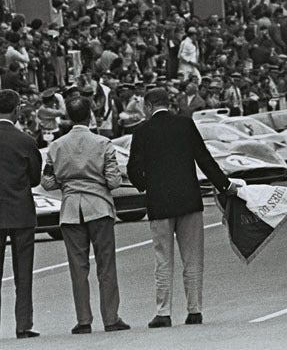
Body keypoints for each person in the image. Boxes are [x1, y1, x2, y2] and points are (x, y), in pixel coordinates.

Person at [126, 88, 244, 328]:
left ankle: (163, 312)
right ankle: (194, 310)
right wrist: (225, 185)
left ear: (148, 107)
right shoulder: (185, 125)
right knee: (192, 258)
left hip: (159, 203)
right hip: (189, 200)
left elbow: (133, 170)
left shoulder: (141, 132)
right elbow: (204, 159)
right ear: (168, 104)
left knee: (163, 259)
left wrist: (147, 185)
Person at [40, 96, 130, 335]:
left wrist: (66, 181)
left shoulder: (56, 146)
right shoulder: (103, 143)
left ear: (68, 116)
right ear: (90, 115)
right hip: (99, 207)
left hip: (70, 209)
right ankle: (111, 318)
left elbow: (47, 182)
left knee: (78, 268)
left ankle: (83, 320)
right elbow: (113, 181)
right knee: (106, 265)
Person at [0, 89, 42, 338]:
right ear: (17, 111)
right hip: (21, 211)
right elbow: (35, 179)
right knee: (23, 272)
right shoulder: (26, 141)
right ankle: (23, 324)